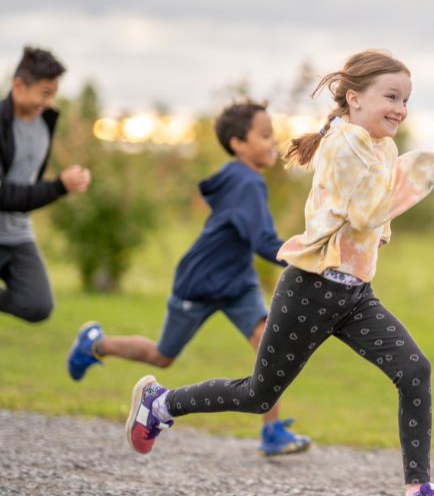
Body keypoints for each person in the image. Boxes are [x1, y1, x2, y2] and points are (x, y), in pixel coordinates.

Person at [123, 50, 434, 496]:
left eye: (405, 100)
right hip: (312, 289)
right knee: (258, 394)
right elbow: (367, 212)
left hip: (355, 295)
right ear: (355, 98)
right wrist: (413, 181)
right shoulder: (345, 143)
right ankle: (159, 405)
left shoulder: (382, 146)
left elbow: (375, 222)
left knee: (414, 370)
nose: (400, 109)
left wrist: (390, 206)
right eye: (391, 97)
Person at [67, 100, 310, 457]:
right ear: (238, 143)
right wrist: (308, 255)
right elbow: (263, 241)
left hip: (237, 283)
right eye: (264, 134)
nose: (273, 140)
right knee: (161, 356)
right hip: (201, 283)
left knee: (265, 341)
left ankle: (272, 431)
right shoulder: (245, 182)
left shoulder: (245, 179)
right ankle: (95, 344)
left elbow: (253, 237)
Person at [1, 46, 91, 322]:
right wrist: (58, 187)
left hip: (18, 235)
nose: (50, 101)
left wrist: (65, 184)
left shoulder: (44, 124)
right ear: (19, 86)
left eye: (53, 93)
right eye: (45, 93)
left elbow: (29, 180)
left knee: (37, 305)